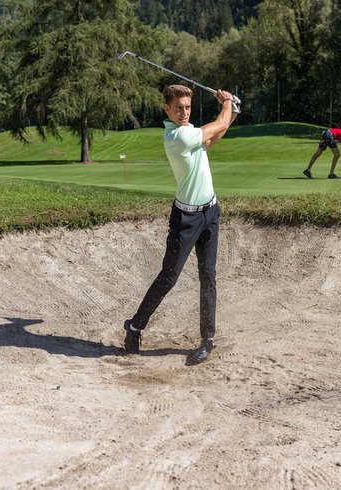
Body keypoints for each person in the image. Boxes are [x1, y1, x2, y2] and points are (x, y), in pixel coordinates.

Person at [123, 84, 239, 365]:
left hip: (210, 211)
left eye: (187, 107)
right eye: (179, 108)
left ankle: (206, 340)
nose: (184, 112)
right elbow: (219, 123)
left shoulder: (189, 132)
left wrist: (232, 110)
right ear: (167, 109)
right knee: (169, 276)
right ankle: (135, 326)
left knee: (208, 277)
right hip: (185, 219)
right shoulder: (176, 136)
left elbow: (212, 139)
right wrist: (227, 104)